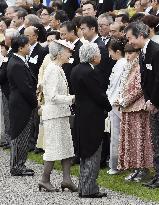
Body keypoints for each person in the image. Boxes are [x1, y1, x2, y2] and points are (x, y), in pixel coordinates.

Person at [126, 22, 159, 189]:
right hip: (153, 103)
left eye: (131, 38)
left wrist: (153, 101)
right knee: (156, 140)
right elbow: (146, 79)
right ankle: (158, 173)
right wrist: (149, 100)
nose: (130, 42)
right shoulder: (143, 52)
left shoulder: (157, 51)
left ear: (141, 36)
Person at [71, 43, 112, 198]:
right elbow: (98, 94)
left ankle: (84, 186)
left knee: (84, 153)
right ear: (93, 56)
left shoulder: (76, 69)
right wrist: (109, 107)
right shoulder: (90, 72)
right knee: (93, 151)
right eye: (99, 54)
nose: (101, 57)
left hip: (81, 114)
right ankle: (89, 189)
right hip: (92, 116)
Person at [39, 39, 77, 192]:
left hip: (61, 115)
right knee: (54, 148)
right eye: (68, 51)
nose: (70, 54)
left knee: (67, 148)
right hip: (54, 115)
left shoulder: (58, 68)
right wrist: (72, 98)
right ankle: (44, 179)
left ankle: (67, 180)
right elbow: (52, 96)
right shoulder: (53, 69)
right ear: (60, 53)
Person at [117, 43, 153, 182]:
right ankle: (135, 168)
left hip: (138, 107)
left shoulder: (139, 67)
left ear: (138, 53)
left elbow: (139, 89)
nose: (127, 56)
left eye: (131, 53)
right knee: (131, 140)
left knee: (140, 139)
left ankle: (143, 169)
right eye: (126, 53)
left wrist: (124, 100)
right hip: (127, 107)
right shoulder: (128, 67)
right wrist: (120, 99)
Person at [7, 35, 37, 176]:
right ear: (20, 48)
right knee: (20, 135)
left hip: (21, 103)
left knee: (22, 134)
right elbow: (24, 88)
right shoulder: (17, 64)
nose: (29, 47)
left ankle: (20, 164)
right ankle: (17, 166)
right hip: (21, 105)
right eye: (27, 45)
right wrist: (35, 103)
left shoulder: (18, 61)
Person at [106, 37, 128, 175]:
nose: (109, 55)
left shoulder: (122, 63)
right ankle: (117, 164)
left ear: (118, 51)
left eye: (111, 52)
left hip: (117, 102)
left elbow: (118, 85)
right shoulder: (120, 63)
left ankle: (117, 165)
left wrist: (113, 98)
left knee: (117, 136)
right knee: (116, 135)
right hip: (114, 101)